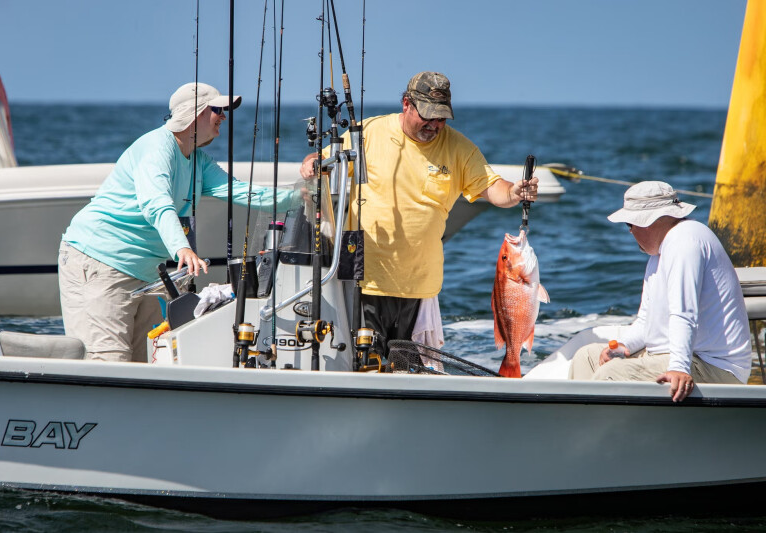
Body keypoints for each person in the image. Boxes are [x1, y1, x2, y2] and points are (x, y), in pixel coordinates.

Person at [299, 71, 539, 358]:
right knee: (362, 362)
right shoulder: (369, 133)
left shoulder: (459, 148)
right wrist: (311, 162)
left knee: (407, 369)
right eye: (428, 116)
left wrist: (515, 192)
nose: (435, 125)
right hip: (363, 278)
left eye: (441, 118)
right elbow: (321, 159)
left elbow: (493, 188)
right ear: (406, 104)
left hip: (420, 285)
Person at [59, 82, 291, 363]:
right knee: (109, 362)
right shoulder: (157, 149)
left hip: (146, 274)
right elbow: (156, 204)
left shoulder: (199, 161)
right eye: (218, 110)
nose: (225, 117)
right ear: (195, 114)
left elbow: (246, 192)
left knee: (149, 361)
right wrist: (182, 248)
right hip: (99, 263)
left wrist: (306, 194)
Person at [568, 181, 751, 401]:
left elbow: (685, 313)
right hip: (675, 356)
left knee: (611, 374)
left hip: (713, 366)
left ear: (647, 222)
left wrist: (679, 368)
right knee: (586, 357)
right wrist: (625, 346)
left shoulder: (684, 241)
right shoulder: (659, 254)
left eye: (629, 224)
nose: (630, 232)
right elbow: (646, 320)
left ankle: (594, 432)